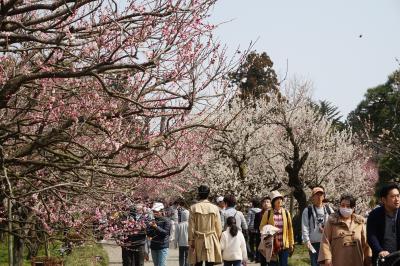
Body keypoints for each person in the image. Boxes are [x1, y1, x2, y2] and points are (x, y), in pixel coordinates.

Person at [318, 194, 372, 266]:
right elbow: (325, 241)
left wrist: (368, 260)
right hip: (337, 261)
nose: (345, 208)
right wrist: (327, 259)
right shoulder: (332, 222)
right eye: (342, 205)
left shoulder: (360, 223)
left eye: (348, 206)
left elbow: (366, 244)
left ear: (353, 208)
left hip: (356, 261)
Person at [188, 185, 222, 266]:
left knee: (197, 263)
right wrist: (219, 239)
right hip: (211, 238)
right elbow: (219, 227)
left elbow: (191, 227)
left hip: (197, 239)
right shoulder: (215, 208)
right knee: (210, 262)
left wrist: (191, 240)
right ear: (208, 194)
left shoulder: (193, 208)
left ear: (199, 194)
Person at [367, 183, 400, 264]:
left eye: (398, 196)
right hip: (383, 258)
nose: (397, 199)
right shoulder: (374, 215)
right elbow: (371, 236)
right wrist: (379, 250)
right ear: (383, 200)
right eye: (393, 197)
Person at [259, 191, 294, 266]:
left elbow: (290, 229)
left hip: (284, 245)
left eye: (280, 199)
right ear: (273, 202)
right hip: (272, 245)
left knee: (284, 264)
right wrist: (270, 230)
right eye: (277, 199)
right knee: (272, 264)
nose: (279, 201)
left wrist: (291, 243)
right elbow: (261, 227)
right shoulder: (267, 213)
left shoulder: (286, 213)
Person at [301, 186, 333, 266]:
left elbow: (335, 223)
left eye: (321, 195)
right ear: (312, 197)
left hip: (327, 242)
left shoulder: (328, 209)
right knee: (315, 263)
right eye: (316, 195)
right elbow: (305, 227)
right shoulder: (308, 210)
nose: (319, 197)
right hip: (314, 243)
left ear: (323, 196)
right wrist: (307, 241)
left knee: (328, 263)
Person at [254, 196, 271, 265]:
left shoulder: (274, 214)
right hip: (261, 238)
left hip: (271, 238)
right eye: (264, 202)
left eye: (267, 202)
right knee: (263, 258)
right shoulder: (258, 214)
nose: (266, 203)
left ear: (271, 203)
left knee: (271, 259)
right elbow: (256, 226)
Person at [247, 198, 261, 262]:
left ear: (253, 204)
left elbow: (248, 220)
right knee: (258, 243)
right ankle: (258, 257)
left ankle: (252, 256)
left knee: (251, 243)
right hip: (258, 228)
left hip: (251, 229)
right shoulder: (261, 211)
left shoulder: (250, 211)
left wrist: (247, 227)